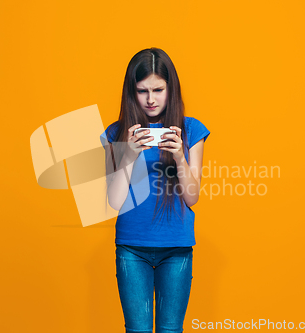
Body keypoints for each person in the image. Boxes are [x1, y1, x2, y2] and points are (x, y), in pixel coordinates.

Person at [100, 47, 210, 333]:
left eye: (158, 89)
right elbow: (114, 201)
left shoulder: (191, 130)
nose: (150, 99)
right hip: (131, 248)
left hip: (176, 248)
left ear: (170, 88)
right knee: (136, 330)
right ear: (131, 92)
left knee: (170, 330)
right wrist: (128, 155)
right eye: (142, 91)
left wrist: (178, 158)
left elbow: (193, 197)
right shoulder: (115, 134)